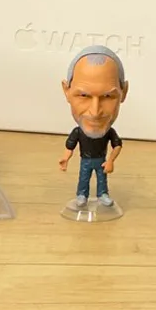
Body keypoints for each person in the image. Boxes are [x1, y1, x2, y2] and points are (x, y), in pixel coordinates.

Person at [58, 45, 128, 208]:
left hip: (101, 160)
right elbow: (70, 146)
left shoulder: (109, 132)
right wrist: (65, 157)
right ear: (66, 91)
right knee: (84, 177)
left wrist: (110, 160)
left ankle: (102, 194)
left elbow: (117, 145)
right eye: (83, 95)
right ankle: (82, 194)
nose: (95, 112)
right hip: (86, 160)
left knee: (102, 179)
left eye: (108, 96)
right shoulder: (78, 132)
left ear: (123, 93)